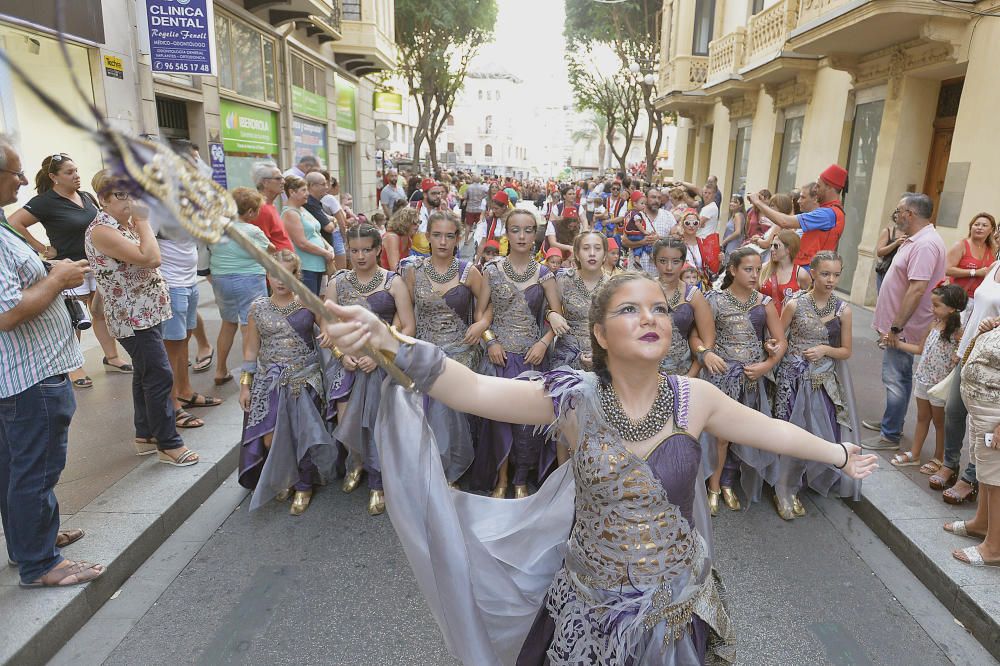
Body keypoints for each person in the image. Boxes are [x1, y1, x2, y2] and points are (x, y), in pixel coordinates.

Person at [316, 271, 877, 664]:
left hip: (674, 613)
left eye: (659, 307)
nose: (650, 317)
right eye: (629, 309)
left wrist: (840, 453)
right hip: (588, 610)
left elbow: (771, 430)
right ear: (601, 336)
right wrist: (387, 339)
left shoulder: (695, 398)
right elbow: (471, 388)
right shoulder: (573, 399)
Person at [0, 136, 105, 588]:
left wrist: (47, 271)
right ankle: (41, 564)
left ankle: (31, 541)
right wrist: (59, 276)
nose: (25, 181)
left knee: (17, 469)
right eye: (16, 173)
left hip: (24, 375)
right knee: (35, 470)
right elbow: (6, 313)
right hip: (31, 376)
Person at [85, 171, 199, 467]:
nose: (130, 202)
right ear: (103, 200)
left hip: (146, 311)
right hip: (132, 317)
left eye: (133, 195)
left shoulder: (123, 225)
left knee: (146, 374)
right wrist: (145, 221)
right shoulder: (102, 230)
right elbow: (151, 257)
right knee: (160, 374)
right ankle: (168, 443)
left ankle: (146, 435)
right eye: (121, 196)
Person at [8, 153, 131, 386]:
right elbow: (14, 222)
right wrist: (42, 248)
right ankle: (74, 367)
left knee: (100, 313)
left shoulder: (85, 196)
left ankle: (112, 357)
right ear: (54, 177)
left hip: (96, 263)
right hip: (71, 268)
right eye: (69, 172)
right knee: (75, 319)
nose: (76, 175)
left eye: (76, 170)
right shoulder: (44, 201)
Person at [473, 210, 567, 499]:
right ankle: (501, 477)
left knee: (528, 425)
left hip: (533, 359)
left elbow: (557, 317)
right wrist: (490, 342)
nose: (522, 236)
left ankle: (521, 478)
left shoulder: (545, 275)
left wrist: (543, 343)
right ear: (507, 233)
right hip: (499, 357)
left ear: (535, 235)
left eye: (528, 230)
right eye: (516, 230)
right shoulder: (491, 270)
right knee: (498, 421)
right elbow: (480, 315)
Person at [326, 224, 415, 516]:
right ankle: (356, 463)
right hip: (348, 361)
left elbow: (407, 324)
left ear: (378, 249)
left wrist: (379, 355)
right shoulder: (337, 282)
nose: (360, 256)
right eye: (354, 250)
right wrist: (340, 354)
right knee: (345, 412)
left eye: (366, 249)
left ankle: (379, 480)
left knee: (378, 418)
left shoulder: (393, 282)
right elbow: (328, 326)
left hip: (384, 359)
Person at [237, 250, 335, 515]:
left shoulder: (307, 301)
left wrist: (326, 332)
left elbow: (326, 324)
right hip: (270, 382)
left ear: (296, 275)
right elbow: (250, 350)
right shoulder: (257, 308)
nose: (280, 281)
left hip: (305, 379)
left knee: (303, 433)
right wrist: (245, 385)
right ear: (267, 275)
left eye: (287, 275)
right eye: (274, 274)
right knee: (270, 439)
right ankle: (286, 476)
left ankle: (303, 485)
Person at [402, 211, 489, 483]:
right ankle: (428, 469)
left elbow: (488, 306)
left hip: (462, 351)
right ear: (427, 236)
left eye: (449, 236)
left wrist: (481, 325)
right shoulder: (413, 271)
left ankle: (454, 471)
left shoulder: (468, 271)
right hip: (425, 351)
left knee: (455, 409)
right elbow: (406, 313)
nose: (442, 242)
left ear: (457, 238)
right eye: (436, 235)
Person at [698, 247, 786, 514]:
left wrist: (768, 363)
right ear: (733, 270)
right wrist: (706, 354)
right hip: (722, 378)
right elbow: (697, 336)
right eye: (748, 269)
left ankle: (728, 482)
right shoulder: (714, 300)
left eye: (758, 269)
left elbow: (781, 341)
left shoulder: (765, 303)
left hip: (752, 379)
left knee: (744, 435)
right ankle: (713, 486)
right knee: (720, 436)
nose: (754, 275)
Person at [773, 252, 859, 520]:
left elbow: (845, 351)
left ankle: (798, 485)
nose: (831, 280)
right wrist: (772, 347)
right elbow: (778, 337)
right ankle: (783, 489)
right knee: (790, 432)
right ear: (812, 273)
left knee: (815, 433)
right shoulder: (794, 304)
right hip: (793, 380)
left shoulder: (843, 310)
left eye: (836, 274)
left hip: (822, 380)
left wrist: (824, 349)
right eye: (825, 274)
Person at [864, 193, 947, 450]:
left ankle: (890, 435)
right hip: (897, 324)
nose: (896, 215)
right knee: (897, 376)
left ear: (910, 214)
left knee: (896, 377)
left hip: (903, 328)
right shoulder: (917, 240)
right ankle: (892, 420)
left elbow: (917, 289)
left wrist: (896, 328)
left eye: (899, 210)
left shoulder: (925, 244)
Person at [930, 265, 1000, 504]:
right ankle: (950, 464)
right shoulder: (995, 266)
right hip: (971, 349)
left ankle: (971, 478)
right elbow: (976, 310)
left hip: (993, 359)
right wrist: (962, 348)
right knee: (953, 410)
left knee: (984, 423)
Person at [889, 284, 966, 471]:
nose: (932, 309)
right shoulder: (933, 324)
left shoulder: (958, 332)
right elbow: (920, 349)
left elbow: (964, 353)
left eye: (937, 305)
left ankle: (939, 458)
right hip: (923, 378)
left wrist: (959, 356)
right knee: (922, 417)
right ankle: (915, 454)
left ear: (952, 308)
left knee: (940, 423)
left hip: (939, 385)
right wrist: (896, 344)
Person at [944, 322, 1000, 568]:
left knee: (996, 479)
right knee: (985, 472)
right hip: (982, 408)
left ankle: (994, 548)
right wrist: (985, 330)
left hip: (995, 412)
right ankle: (981, 523)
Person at [158, 220, 221, 429]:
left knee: (184, 340)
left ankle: (185, 392)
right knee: (172, 347)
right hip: (171, 283)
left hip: (189, 281)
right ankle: (172, 404)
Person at [209, 187, 273, 391]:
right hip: (249, 279)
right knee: (249, 326)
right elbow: (270, 248)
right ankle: (249, 376)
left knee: (228, 324)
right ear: (251, 212)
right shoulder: (252, 230)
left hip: (221, 280)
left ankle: (220, 370)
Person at [748, 165, 848, 269]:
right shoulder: (830, 211)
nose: (816, 190)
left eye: (818, 186)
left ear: (829, 187)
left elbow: (784, 222)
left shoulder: (828, 213)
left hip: (808, 270)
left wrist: (758, 202)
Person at [653, 237, 717, 377]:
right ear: (654, 261)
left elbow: (708, 340)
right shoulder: (643, 289)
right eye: (663, 261)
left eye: (675, 261)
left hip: (684, 372)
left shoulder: (694, 295)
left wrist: (690, 377)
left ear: (683, 263)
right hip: (646, 371)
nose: (669, 267)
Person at [550, 231, 606, 371]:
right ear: (577, 254)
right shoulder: (562, 280)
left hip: (604, 357)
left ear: (605, 254)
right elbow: (546, 307)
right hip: (566, 358)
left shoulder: (615, 285)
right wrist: (550, 315)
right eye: (586, 248)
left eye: (597, 248)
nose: (592, 253)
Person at [282, 175, 335, 295]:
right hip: (306, 267)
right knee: (308, 306)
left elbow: (315, 233)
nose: (307, 194)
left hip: (317, 265)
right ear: (291, 192)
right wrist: (325, 253)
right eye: (303, 190)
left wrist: (328, 246)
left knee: (318, 303)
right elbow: (302, 243)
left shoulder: (302, 209)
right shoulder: (291, 213)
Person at [944, 213, 997, 313]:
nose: (979, 228)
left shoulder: (991, 249)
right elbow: (946, 269)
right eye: (976, 224)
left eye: (984, 225)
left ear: (991, 230)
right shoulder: (961, 245)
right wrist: (974, 272)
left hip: (977, 301)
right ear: (971, 227)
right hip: (957, 299)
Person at [759, 229, 811, 315]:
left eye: (776, 246)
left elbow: (808, 305)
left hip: (787, 326)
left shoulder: (801, 275)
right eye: (771, 245)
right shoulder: (763, 268)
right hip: (762, 323)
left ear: (789, 249)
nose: (771, 249)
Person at [304, 172, 345, 271]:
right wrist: (334, 221)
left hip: (323, 251)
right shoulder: (310, 203)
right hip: (317, 256)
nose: (327, 187)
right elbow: (330, 227)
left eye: (327, 184)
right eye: (323, 184)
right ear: (312, 186)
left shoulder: (316, 202)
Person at [249, 163, 294, 252]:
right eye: (278, 178)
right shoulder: (262, 209)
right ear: (265, 182)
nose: (283, 182)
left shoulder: (269, 205)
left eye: (283, 178)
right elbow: (262, 246)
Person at [380, 206, 419, 271]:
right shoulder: (392, 237)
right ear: (405, 223)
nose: (418, 225)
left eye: (419, 222)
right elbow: (395, 268)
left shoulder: (408, 238)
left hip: (396, 275)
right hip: (384, 276)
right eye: (414, 222)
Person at [874, 221, 906, 294]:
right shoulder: (888, 231)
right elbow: (879, 252)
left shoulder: (911, 234)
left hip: (899, 273)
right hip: (885, 270)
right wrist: (895, 243)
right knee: (883, 297)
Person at [720, 195, 746, 262]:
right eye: (731, 201)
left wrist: (724, 241)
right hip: (730, 246)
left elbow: (738, 232)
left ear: (740, 205)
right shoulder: (735, 215)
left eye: (735, 202)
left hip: (732, 247)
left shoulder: (738, 215)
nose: (731, 203)